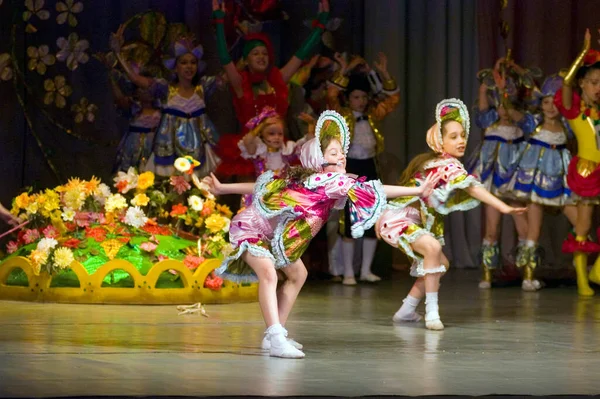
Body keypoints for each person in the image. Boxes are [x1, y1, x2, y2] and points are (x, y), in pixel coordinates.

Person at [199, 110, 439, 358]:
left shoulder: (321, 181)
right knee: (269, 274)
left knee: (298, 274)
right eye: (334, 154)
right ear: (318, 159)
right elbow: (262, 187)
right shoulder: (324, 181)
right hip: (253, 228)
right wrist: (417, 190)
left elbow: (367, 188)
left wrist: (222, 187)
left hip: (274, 235)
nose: (342, 157)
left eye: (342, 153)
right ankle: (275, 336)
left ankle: (275, 333)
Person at [376, 99, 526, 330]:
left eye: (463, 135)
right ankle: (432, 313)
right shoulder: (448, 165)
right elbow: (473, 188)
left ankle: (406, 310)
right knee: (434, 250)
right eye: (454, 137)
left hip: (398, 220)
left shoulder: (439, 163)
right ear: (440, 141)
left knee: (440, 263)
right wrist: (503, 207)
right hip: (399, 219)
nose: (461, 140)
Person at [326, 52, 400, 284]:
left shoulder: (373, 115)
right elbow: (331, 93)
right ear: (349, 99)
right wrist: (345, 69)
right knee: (348, 220)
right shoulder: (342, 114)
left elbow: (393, 99)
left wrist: (384, 74)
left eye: (363, 97)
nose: (361, 101)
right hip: (350, 168)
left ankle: (365, 270)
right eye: (356, 97)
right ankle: (348, 272)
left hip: (370, 167)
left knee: (370, 218)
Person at [466, 57, 537, 288]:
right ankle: (487, 273)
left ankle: (528, 274)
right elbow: (482, 111)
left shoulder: (522, 114)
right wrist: (488, 84)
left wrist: (515, 68)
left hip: (517, 164)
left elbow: (530, 111)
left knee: (523, 222)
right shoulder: (490, 115)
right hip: (493, 166)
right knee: (491, 225)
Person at [507, 75, 577, 291]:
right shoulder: (534, 123)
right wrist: (504, 95)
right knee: (533, 230)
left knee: (581, 223)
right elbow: (512, 113)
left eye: (555, 101)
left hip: (562, 181)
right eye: (546, 102)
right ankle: (528, 277)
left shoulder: (568, 126)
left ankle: (581, 268)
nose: (550, 107)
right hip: (536, 181)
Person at [554, 28, 600, 296]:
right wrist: (583, 53)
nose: (598, 88)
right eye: (593, 82)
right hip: (587, 172)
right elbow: (566, 85)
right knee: (582, 227)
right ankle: (583, 278)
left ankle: (596, 271)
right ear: (583, 83)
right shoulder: (574, 110)